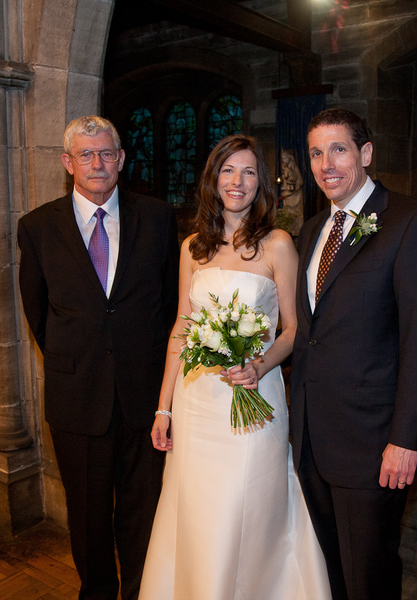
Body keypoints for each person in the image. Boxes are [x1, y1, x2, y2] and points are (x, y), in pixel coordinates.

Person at [139, 135, 332, 600]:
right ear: (213, 179)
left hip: (254, 398)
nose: (237, 181)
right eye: (228, 170)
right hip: (197, 403)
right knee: (199, 510)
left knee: (248, 505)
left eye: (248, 172)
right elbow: (182, 328)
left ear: (260, 183)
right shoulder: (192, 248)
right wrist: (164, 408)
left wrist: (260, 366)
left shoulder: (277, 244)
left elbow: (293, 330)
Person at [290, 108, 417, 600]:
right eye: (316, 153)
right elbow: (310, 335)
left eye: (338, 149)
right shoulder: (312, 230)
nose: (326, 164)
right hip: (312, 438)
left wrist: (405, 438)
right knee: (333, 573)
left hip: (373, 444)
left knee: (370, 576)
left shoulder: (410, 222)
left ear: (365, 153)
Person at [17, 115, 179, 600]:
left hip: (144, 397)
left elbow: (171, 304)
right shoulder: (38, 227)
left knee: (142, 511)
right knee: (88, 516)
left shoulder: (157, 218)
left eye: (106, 153)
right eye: (85, 155)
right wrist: (79, 359)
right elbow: (38, 313)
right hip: (77, 397)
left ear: (121, 159)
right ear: (68, 163)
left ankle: (140, 593)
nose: (97, 164)